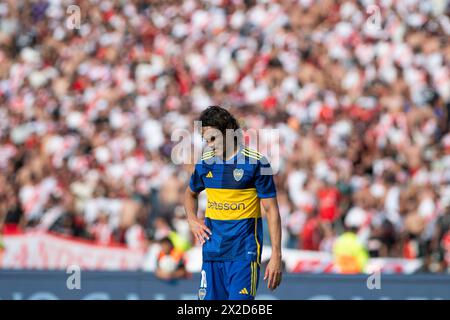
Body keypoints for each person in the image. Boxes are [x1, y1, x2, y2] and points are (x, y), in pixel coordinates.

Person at [184, 106, 282, 300]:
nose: (209, 145)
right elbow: (190, 194)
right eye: (206, 140)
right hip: (212, 252)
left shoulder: (256, 163)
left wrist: (276, 256)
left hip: (243, 254)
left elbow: (272, 211)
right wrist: (192, 219)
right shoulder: (205, 163)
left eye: (213, 138)